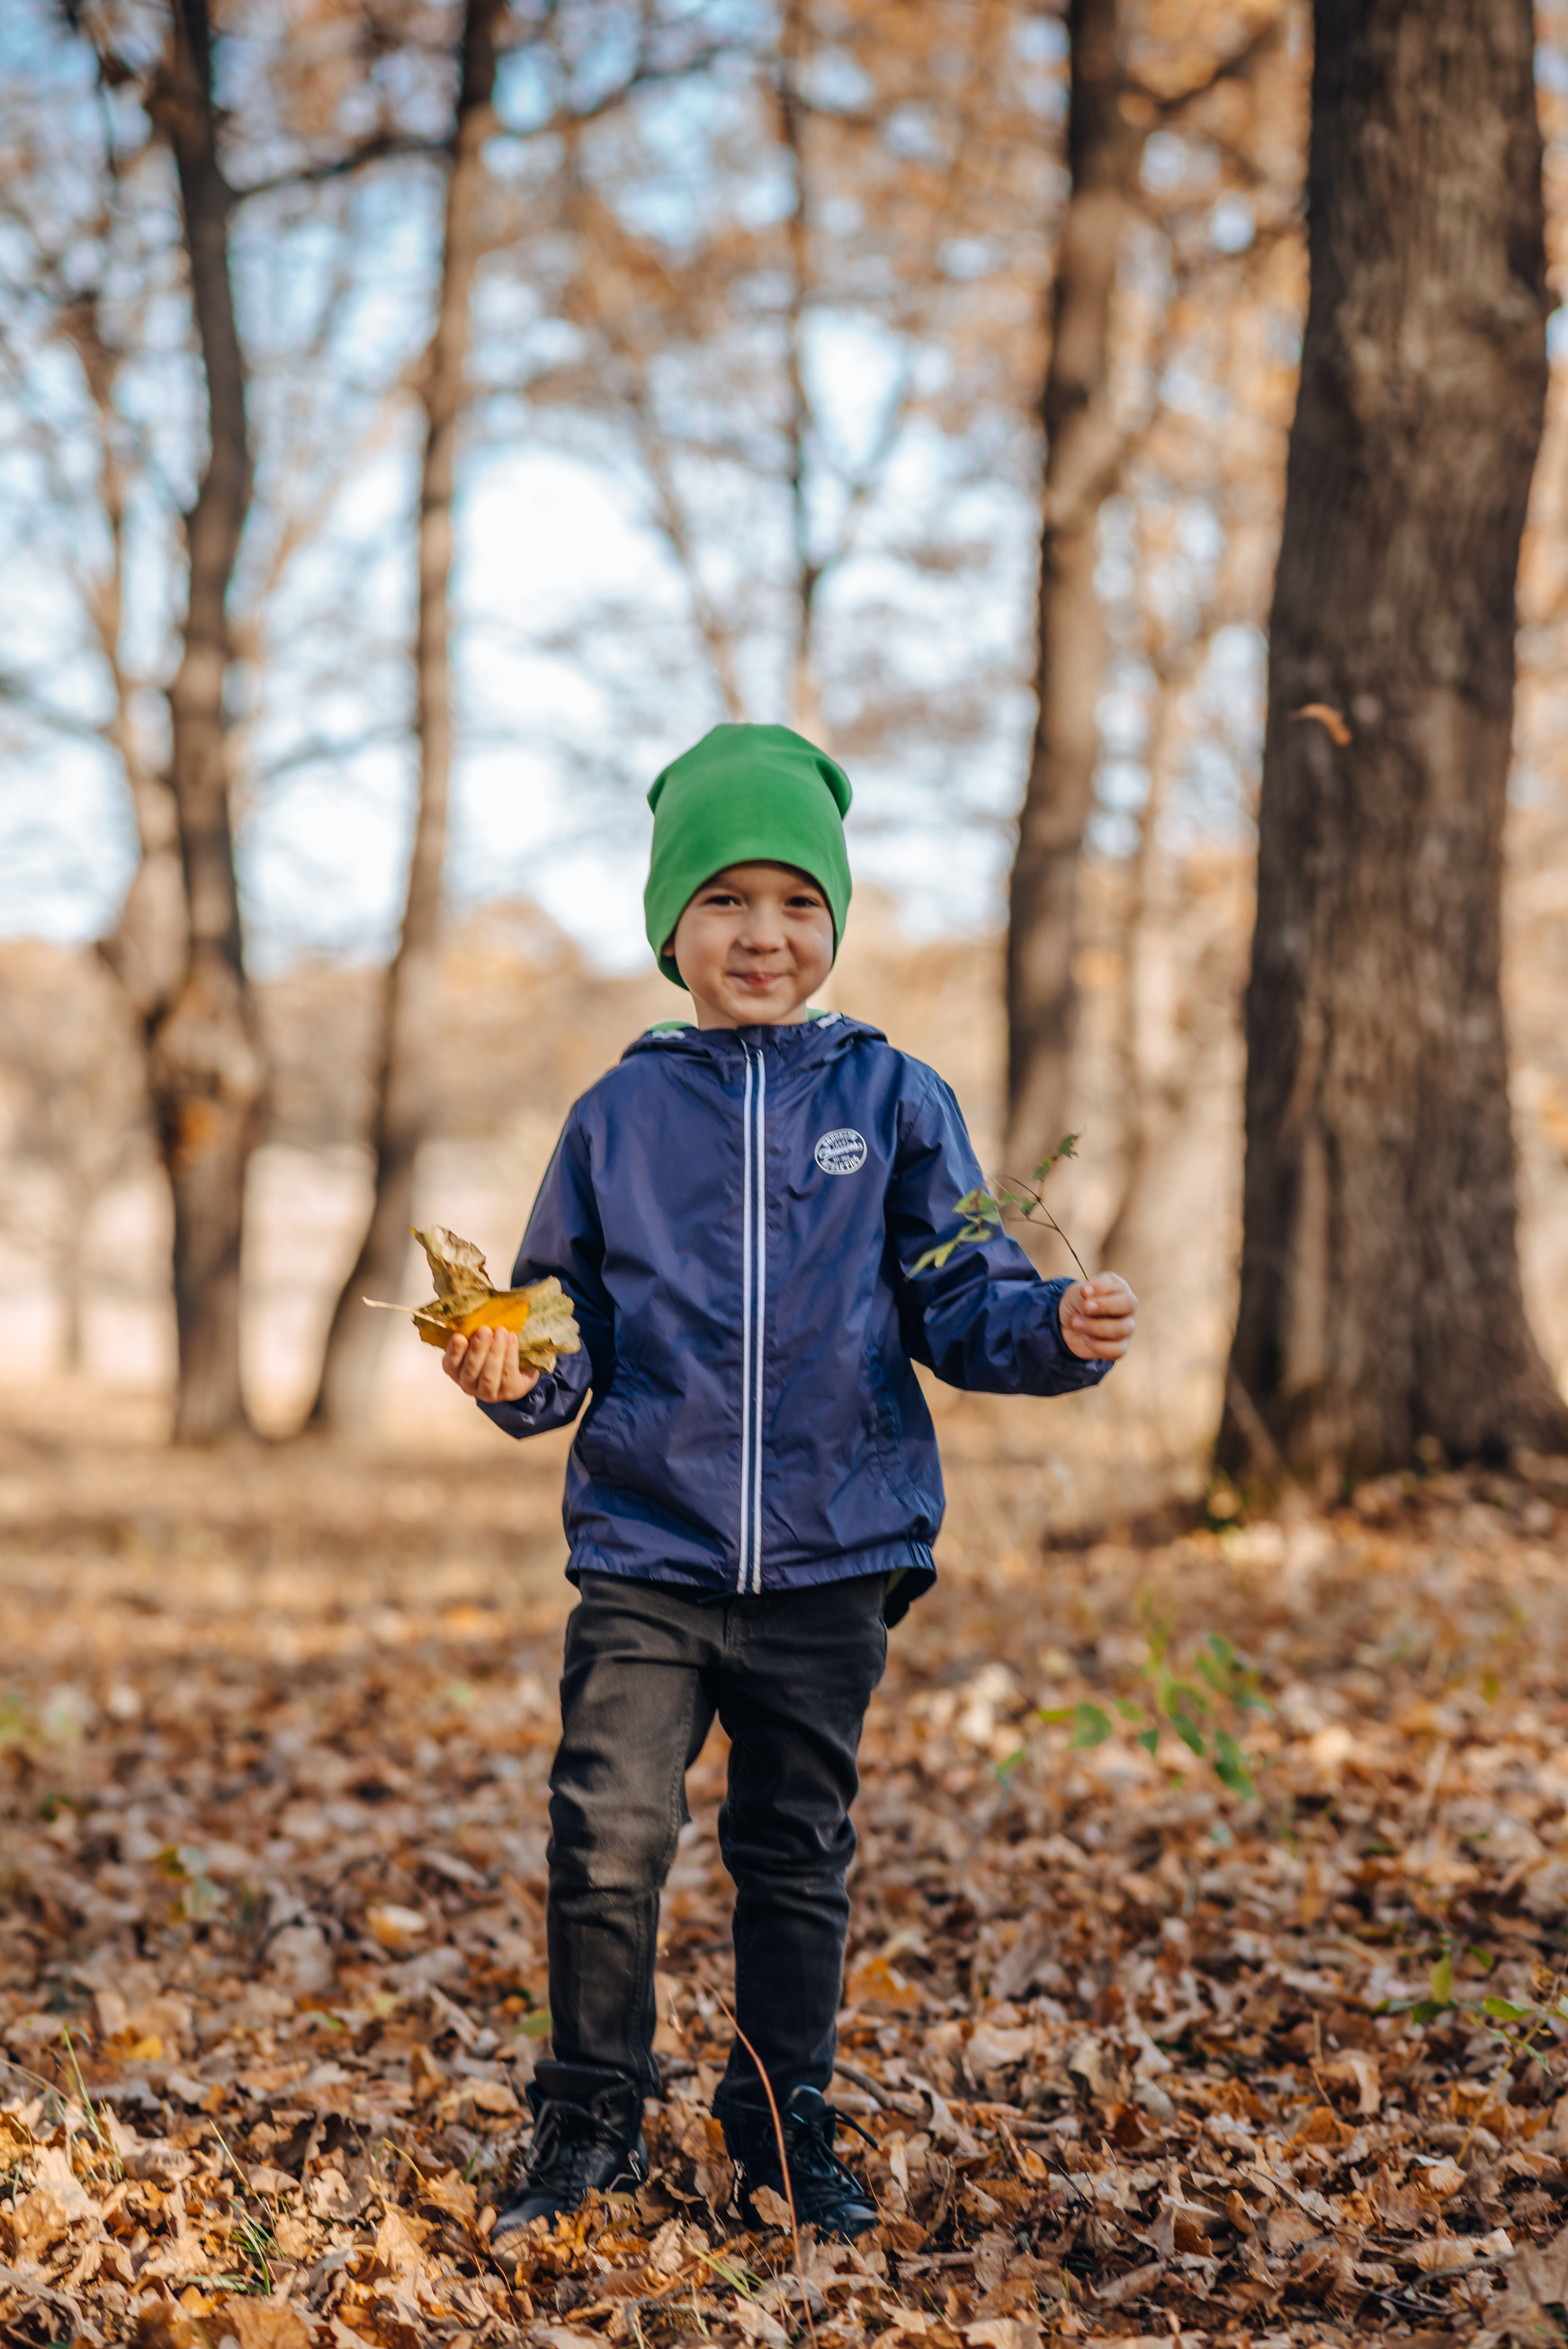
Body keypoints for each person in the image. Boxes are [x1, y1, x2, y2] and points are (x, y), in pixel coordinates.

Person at [441, 724, 1137, 2250]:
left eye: (795, 904)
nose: (763, 933)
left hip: (832, 1554)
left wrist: (1054, 1330)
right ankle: (589, 2120)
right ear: (671, 927)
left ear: (831, 922)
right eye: (725, 903)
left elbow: (959, 1299)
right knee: (605, 1833)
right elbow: (563, 1329)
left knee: (794, 1846)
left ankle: (777, 2123)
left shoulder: (890, 1098)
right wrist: (514, 1377)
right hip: (647, 1551)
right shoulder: (616, 1119)